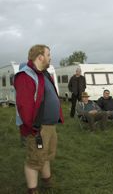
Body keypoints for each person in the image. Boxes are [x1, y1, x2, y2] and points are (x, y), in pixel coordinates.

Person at [14, 44, 64, 194]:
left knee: (46, 155)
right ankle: (32, 189)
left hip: (49, 126)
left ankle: (47, 181)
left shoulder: (43, 74)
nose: (50, 57)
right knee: (34, 160)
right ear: (40, 56)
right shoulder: (25, 75)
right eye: (48, 54)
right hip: (37, 128)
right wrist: (33, 129)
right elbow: (24, 106)